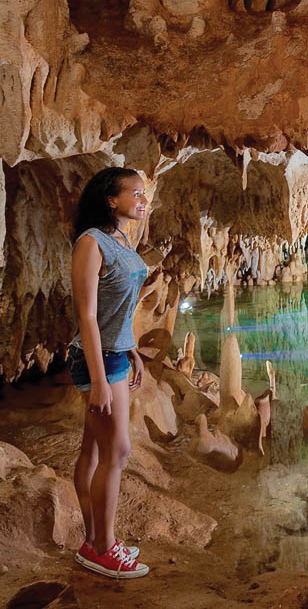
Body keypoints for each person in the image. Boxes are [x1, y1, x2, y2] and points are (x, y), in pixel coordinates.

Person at [67, 167, 151, 579]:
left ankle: (91, 541)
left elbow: (117, 307)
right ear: (110, 199)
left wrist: (133, 348)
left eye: (144, 194)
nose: (142, 200)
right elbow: (87, 314)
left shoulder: (120, 238)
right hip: (97, 358)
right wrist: (100, 379)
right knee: (117, 450)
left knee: (95, 450)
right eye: (135, 193)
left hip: (117, 352)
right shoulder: (90, 242)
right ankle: (105, 547)